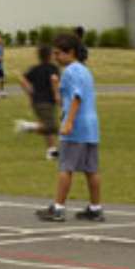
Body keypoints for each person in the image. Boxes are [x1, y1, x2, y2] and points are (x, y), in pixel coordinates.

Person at [37, 37, 103, 221]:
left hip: (77, 126)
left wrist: (69, 122)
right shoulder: (85, 71)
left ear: (70, 52)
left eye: (58, 53)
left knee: (66, 167)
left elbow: (77, 97)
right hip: (91, 127)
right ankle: (95, 208)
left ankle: (58, 208)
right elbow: (62, 100)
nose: (55, 57)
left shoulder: (71, 71)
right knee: (92, 169)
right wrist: (56, 87)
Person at [17, 41, 60, 153]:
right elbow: (54, 80)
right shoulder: (53, 68)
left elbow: (22, 79)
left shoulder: (35, 68)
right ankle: (27, 126)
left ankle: (51, 151)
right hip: (47, 102)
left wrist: (30, 92)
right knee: (52, 127)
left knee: (46, 126)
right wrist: (57, 94)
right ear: (50, 55)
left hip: (36, 102)